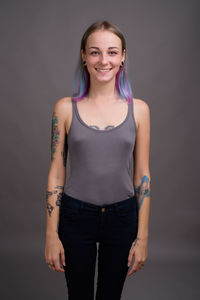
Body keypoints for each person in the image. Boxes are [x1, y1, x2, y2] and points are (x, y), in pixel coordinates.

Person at [45, 20, 151, 300]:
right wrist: (51, 234)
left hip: (122, 217)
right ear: (83, 55)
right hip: (75, 216)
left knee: (110, 296)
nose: (104, 60)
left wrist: (142, 237)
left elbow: (142, 175)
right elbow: (56, 172)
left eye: (112, 52)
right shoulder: (65, 109)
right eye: (95, 52)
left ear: (123, 56)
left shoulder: (139, 110)